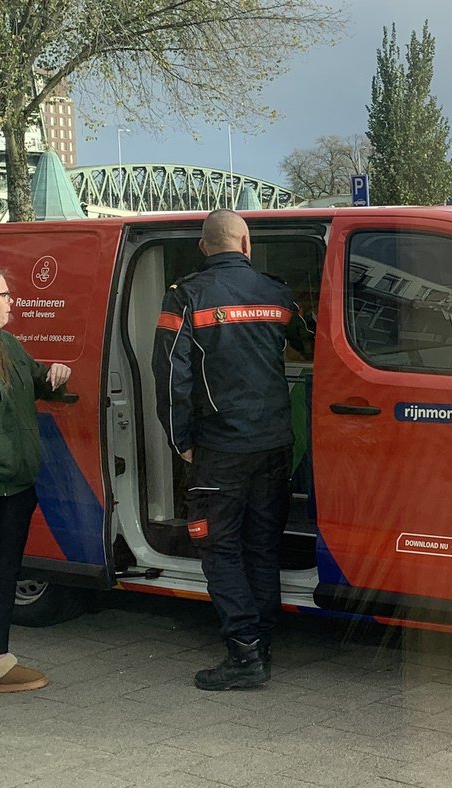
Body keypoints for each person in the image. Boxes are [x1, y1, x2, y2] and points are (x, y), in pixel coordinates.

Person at [152, 209, 299, 691]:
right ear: (246, 243)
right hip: (276, 445)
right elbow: (314, 343)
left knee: (221, 550)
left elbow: (171, 376)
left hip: (221, 449)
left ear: (202, 246)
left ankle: (244, 656)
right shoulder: (277, 293)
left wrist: (182, 442)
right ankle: (265, 647)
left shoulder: (186, 296)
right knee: (262, 547)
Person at [0, 266, 71, 711]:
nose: (13, 302)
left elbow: (31, 380)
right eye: (5, 295)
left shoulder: (7, 344)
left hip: (16, 482)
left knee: (4, 572)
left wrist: (54, 376)